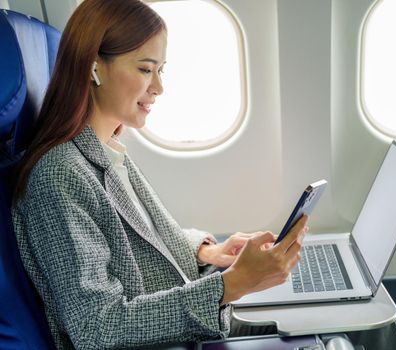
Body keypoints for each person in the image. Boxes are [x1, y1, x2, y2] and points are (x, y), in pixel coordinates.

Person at [11, 0, 308, 349]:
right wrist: (232, 285)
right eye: (144, 69)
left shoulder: (109, 151)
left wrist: (209, 251)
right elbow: (96, 327)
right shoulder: (59, 176)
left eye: (161, 70)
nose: (159, 88)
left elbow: (140, 238)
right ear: (94, 67)